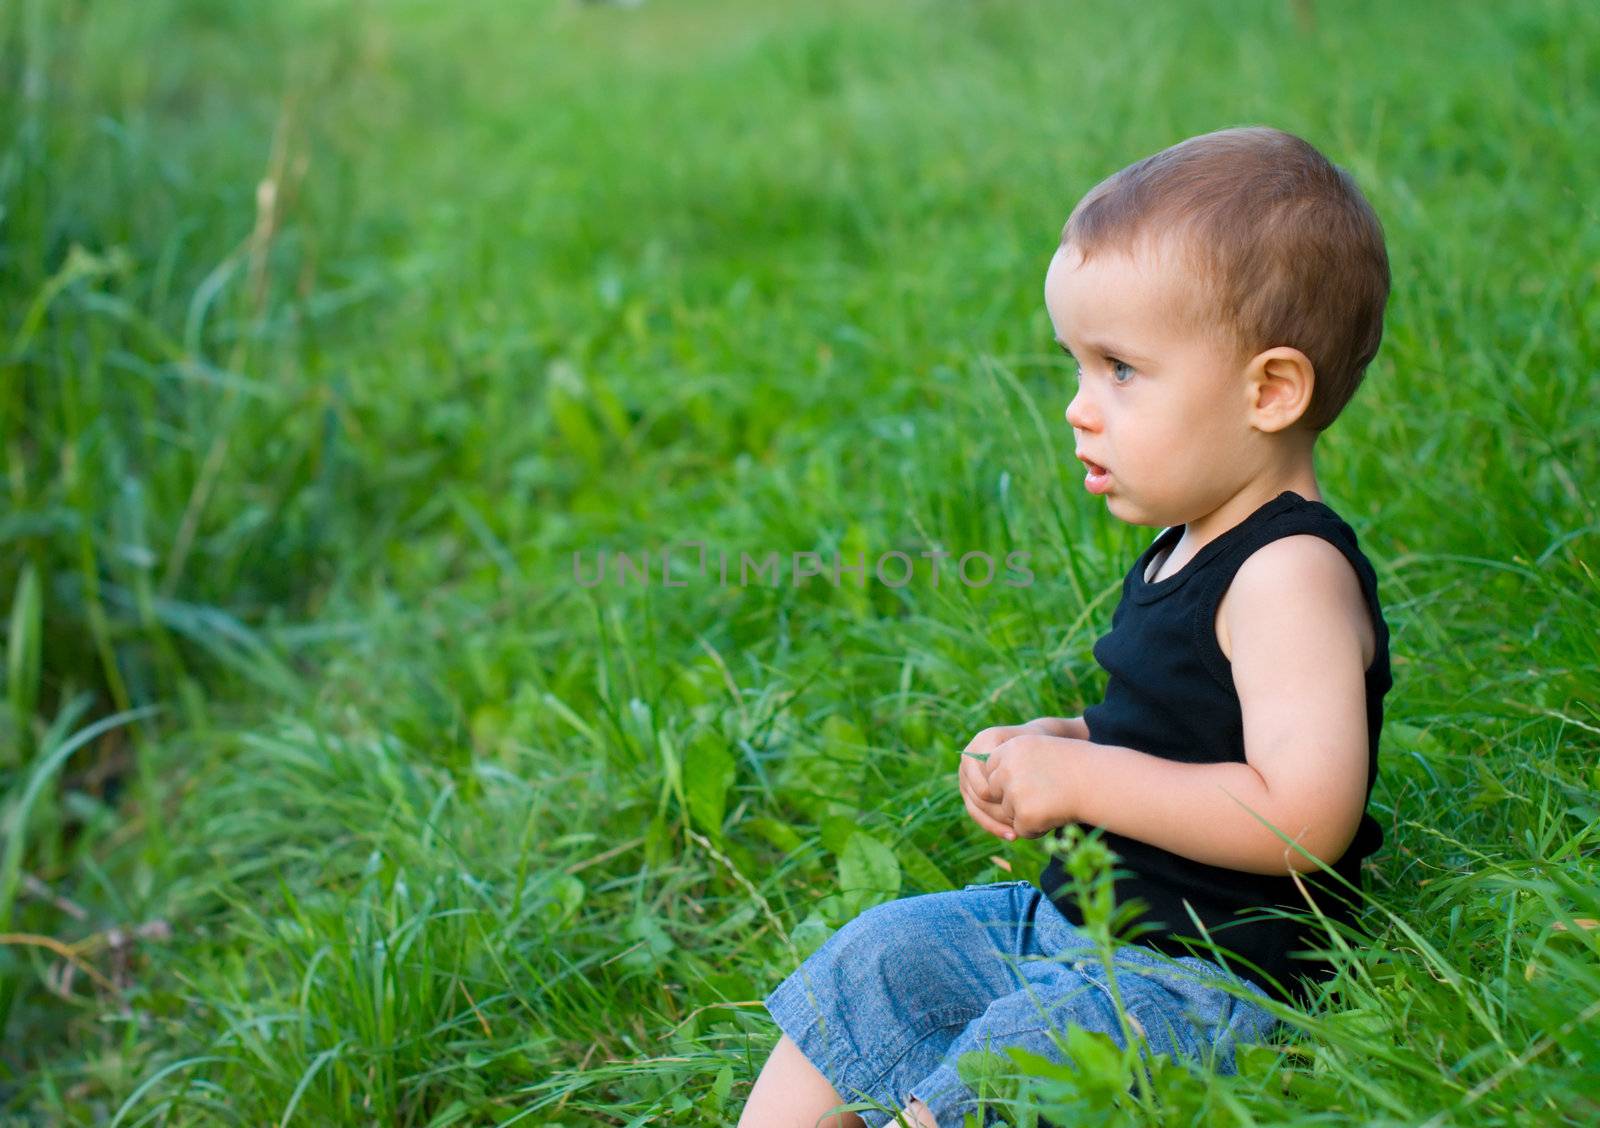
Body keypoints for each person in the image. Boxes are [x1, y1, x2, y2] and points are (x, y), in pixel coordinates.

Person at [737, 124, 1395, 1128]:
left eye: (1120, 371)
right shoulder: (1189, 540)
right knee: (885, 955)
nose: (1079, 410)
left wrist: (1088, 781)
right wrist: (1059, 745)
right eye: (1076, 368)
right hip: (1076, 926)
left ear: (1268, 390)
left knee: (1016, 1059)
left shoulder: (1287, 575)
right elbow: (1174, 732)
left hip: (1203, 979)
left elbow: (1303, 817)